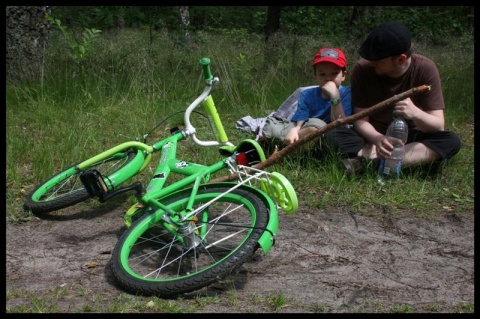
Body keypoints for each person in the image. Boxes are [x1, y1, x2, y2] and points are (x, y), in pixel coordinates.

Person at [323, 21, 461, 175]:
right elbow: (361, 120)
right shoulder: (363, 69)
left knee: (451, 141)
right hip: (372, 135)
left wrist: (415, 113)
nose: (372, 63)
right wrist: (377, 139)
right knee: (331, 136)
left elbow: (438, 125)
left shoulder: (425, 69)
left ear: (401, 59)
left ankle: (369, 164)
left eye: (378, 61)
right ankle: (412, 163)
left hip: (409, 138)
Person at [262, 47, 352, 147]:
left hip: (325, 131)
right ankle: (291, 143)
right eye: (322, 74)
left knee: (317, 125)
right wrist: (295, 129)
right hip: (304, 127)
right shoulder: (307, 94)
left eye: (334, 74)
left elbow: (340, 124)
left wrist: (334, 96)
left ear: (343, 75)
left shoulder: (347, 93)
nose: (328, 78)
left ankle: (281, 146)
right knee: (271, 127)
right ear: (315, 76)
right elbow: (301, 118)